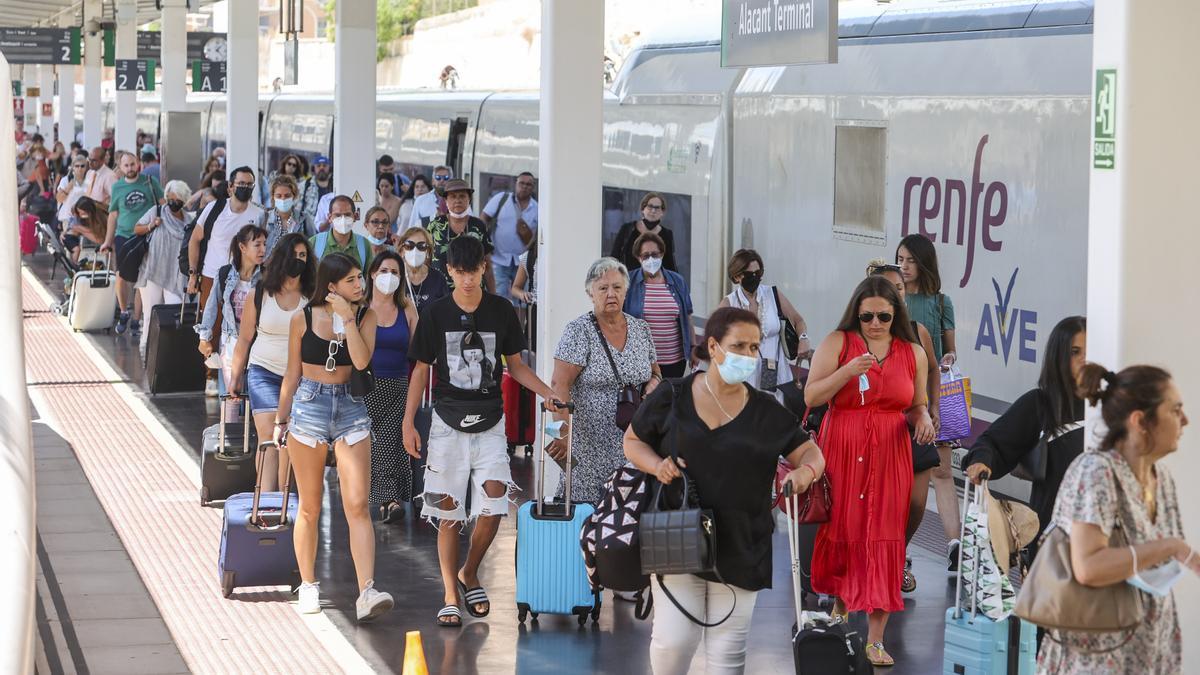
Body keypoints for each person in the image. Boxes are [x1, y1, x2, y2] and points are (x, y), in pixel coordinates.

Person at [624, 307, 825, 675]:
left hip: (742, 540)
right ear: (713, 347)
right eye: (739, 346)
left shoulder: (767, 410)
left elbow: (810, 451)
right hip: (677, 534)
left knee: (728, 653)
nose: (748, 356)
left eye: (754, 347)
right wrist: (657, 465)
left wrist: (807, 472)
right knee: (674, 641)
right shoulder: (673, 394)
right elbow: (633, 441)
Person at [401, 235, 559, 628]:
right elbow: (421, 368)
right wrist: (408, 422)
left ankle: (469, 571)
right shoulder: (436, 313)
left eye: (473, 271)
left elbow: (516, 365)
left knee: (494, 504)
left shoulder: (501, 310)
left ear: (483, 268)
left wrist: (548, 393)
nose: (467, 280)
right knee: (446, 507)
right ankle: (450, 595)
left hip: (490, 419)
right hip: (446, 421)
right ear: (450, 271)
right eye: (459, 272)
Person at [1032, 363, 1197, 674]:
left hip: (1146, 647)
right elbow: (1088, 567)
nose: (1185, 420)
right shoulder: (1096, 473)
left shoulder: (1160, 476)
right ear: (1140, 422)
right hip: (1095, 657)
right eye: (1175, 410)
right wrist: (1170, 547)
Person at [805, 275, 935, 668]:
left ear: (896, 315)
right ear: (856, 314)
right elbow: (812, 396)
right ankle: (841, 615)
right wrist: (847, 371)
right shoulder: (837, 342)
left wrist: (923, 418)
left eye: (883, 316)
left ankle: (875, 639)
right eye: (867, 316)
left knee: (884, 534)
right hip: (843, 446)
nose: (875, 323)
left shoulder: (912, 352)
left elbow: (917, 402)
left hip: (890, 451)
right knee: (846, 527)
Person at [274, 253, 394, 621]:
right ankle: (308, 585)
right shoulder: (302, 318)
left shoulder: (365, 316)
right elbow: (292, 374)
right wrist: (281, 420)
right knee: (309, 505)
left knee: (357, 504)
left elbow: (360, 362)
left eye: (361, 279)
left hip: (351, 406)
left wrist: (347, 318)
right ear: (331, 286)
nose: (361, 285)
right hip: (308, 406)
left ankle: (366, 591)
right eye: (353, 280)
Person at [963, 316, 1087, 560]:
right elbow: (993, 443)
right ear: (1058, 356)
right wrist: (981, 461)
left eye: (1091, 350)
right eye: (1075, 351)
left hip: (1102, 542)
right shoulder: (1041, 404)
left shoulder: (1112, 405)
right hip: (1053, 541)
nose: (1085, 359)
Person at [550, 257, 661, 504]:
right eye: (603, 288)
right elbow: (559, 386)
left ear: (626, 291)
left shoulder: (641, 329)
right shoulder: (579, 331)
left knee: (629, 517)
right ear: (591, 293)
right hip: (589, 448)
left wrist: (653, 384)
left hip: (634, 442)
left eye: (617, 287)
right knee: (587, 518)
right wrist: (560, 435)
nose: (611, 294)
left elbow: (655, 372)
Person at [867, 260, 942, 594]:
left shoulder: (917, 331)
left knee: (915, 504)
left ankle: (898, 554)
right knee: (879, 504)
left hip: (915, 426)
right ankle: (880, 564)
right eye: (887, 288)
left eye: (898, 288)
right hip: (880, 431)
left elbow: (934, 370)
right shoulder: (861, 333)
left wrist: (933, 407)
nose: (894, 295)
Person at [228, 233, 314, 493]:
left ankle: (286, 500)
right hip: (262, 371)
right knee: (269, 438)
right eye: (294, 255)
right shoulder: (261, 293)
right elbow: (244, 339)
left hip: (300, 376)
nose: (298, 260)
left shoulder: (312, 296)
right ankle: (265, 500)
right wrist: (235, 376)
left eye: (303, 256)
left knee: (290, 439)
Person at [896, 233, 962, 569]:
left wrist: (948, 359)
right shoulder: (891, 299)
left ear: (923, 263)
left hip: (932, 393)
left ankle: (954, 544)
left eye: (909, 260)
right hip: (897, 397)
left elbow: (948, 349)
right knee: (903, 476)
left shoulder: (940, 302)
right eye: (900, 259)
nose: (904, 267)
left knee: (943, 471)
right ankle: (899, 547)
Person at [364, 251, 419, 523]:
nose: (389, 277)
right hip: (365, 387)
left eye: (396, 272)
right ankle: (371, 496)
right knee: (368, 446)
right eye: (384, 271)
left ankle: (391, 499)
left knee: (390, 442)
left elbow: (417, 349)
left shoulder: (407, 308)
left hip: (398, 385)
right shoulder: (361, 306)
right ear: (373, 273)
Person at [718, 249, 811, 409]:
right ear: (736, 276)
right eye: (749, 274)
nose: (754, 278)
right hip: (745, 375)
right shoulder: (729, 304)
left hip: (776, 371)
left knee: (779, 417)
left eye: (758, 273)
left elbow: (798, 320)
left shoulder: (772, 294)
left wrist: (803, 338)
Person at [196, 224, 267, 397]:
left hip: (259, 345)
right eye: (257, 245)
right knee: (230, 401)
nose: (263, 250)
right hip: (230, 344)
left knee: (257, 402)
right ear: (242, 247)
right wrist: (204, 338)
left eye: (265, 244)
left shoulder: (268, 276)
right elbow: (211, 307)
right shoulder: (225, 274)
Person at [186, 166, 266, 312]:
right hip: (212, 278)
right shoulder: (214, 208)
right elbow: (195, 240)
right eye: (241, 184)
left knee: (239, 330)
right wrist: (193, 274)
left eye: (249, 185)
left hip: (243, 282)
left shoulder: (259, 215)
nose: (245, 187)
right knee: (211, 330)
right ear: (231, 186)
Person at [101, 151, 162, 334]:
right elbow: (113, 215)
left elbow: (163, 204)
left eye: (132, 164)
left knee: (141, 278)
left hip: (146, 236)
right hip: (124, 235)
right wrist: (107, 241)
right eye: (126, 165)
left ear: (138, 164)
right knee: (121, 275)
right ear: (120, 167)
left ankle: (136, 319)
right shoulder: (117, 187)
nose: (130, 168)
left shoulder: (150, 182)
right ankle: (124, 311)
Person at [133, 180, 193, 354]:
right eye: (171, 198)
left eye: (179, 199)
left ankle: (168, 352)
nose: (174, 202)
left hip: (175, 274)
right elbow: (137, 229)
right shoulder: (156, 212)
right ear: (166, 197)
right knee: (150, 313)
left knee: (175, 312)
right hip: (153, 271)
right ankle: (145, 350)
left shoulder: (189, 220)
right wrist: (152, 225)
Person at [624, 233, 692, 379]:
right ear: (638, 258)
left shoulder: (677, 281)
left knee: (672, 400)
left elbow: (687, 317)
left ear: (662, 254)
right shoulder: (628, 282)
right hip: (642, 362)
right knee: (646, 401)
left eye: (655, 254)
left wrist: (693, 349)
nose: (651, 259)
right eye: (645, 255)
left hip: (675, 362)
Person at [427, 179, 494, 292]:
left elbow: (487, 266)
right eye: (453, 196)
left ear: (469, 199)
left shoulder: (478, 226)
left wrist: (493, 296)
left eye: (462, 196)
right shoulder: (436, 224)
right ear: (446, 200)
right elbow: (426, 261)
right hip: (440, 292)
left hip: (472, 291)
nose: (457, 200)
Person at [481, 172, 538, 304]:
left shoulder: (537, 208)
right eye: (521, 183)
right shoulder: (501, 199)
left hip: (522, 262)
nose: (524, 187)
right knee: (498, 297)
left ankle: (519, 324)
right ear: (515, 184)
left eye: (528, 184)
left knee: (523, 300)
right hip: (499, 258)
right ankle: (498, 324)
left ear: (533, 187)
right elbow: (483, 218)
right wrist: (485, 244)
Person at [609, 193, 678, 274]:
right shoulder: (627, 229)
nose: (653, 211)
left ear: (662, 212)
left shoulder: (667, 234)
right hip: (628, 280)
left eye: (657, 208)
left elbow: (670, 263)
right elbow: (614, 257)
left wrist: (676, 282)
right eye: (650, 206)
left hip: (654, 282)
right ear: (643, 209)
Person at [310, 195, 373, 269]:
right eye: (338, 215)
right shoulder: (314, 243)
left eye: (347, 215)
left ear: (355, 216)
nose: (343, 219)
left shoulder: (364, 245)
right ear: (329, 218)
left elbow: (368, 278)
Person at [397, 226, 449, 314]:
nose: (415, 250)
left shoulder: (438, 278)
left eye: (421, 246)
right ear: (402, 251)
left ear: (428, 252)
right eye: (409, 245)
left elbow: (445, 311)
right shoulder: (395, 276)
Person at [263, 174, 315, 259]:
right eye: (279, 196)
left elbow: (313, 247)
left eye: (287, 196)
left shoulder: (304, 219)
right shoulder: (264, 218)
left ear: (294, 196)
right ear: (273, 196)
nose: (283, 199)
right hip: (269, 270)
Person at [510, 240, 537, 350]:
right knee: (534, 350)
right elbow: (515, 288)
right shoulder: (529, 256)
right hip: (535, 309)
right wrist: (522, 294)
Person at [63, 196, 108, 262]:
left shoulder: (100, 216)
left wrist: (80, 229)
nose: (81, 215)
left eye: (83, 213)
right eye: (79, 213)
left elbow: (101, 239)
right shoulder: (81, 217)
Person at [55, 155, 90, 229]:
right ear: (73, 167)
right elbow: (59, 199)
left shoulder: (89, 181)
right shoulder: (66, 180)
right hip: (68, 218)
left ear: (86, 167)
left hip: (84, 218)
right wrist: (68, 188)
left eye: (82, 166)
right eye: (77, 166)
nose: (80, 168)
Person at [303, 155, 333, 227]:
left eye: (325, 166)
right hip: (310, 227)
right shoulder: (305, 185)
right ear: (313, 168)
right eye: (318, 166)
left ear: (330, 168)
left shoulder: (336, 184)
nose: (321, 168)